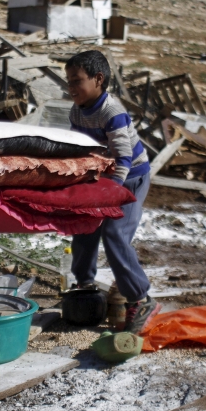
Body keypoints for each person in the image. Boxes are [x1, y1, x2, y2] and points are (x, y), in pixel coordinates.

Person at [64, 50, 161, 334]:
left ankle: (141, 298)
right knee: (84, 225)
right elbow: (79, 148)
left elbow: (124, 158)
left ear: (98, 79)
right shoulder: (76, 110)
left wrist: (111, 192)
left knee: (115, 234)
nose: (70, 87)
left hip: (129, 179)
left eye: (76, 80)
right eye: (67, 80)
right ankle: (84, 284)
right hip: (102, 178)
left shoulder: (111, 112)